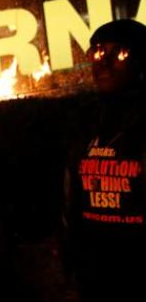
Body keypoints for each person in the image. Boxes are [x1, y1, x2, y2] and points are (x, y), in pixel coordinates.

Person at [62, 19, 146, 302]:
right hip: (95, 270)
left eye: (119, 52)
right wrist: (70, 256)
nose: (104, 62)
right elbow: (72, 196)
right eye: (97, 52)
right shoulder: (86, 120)